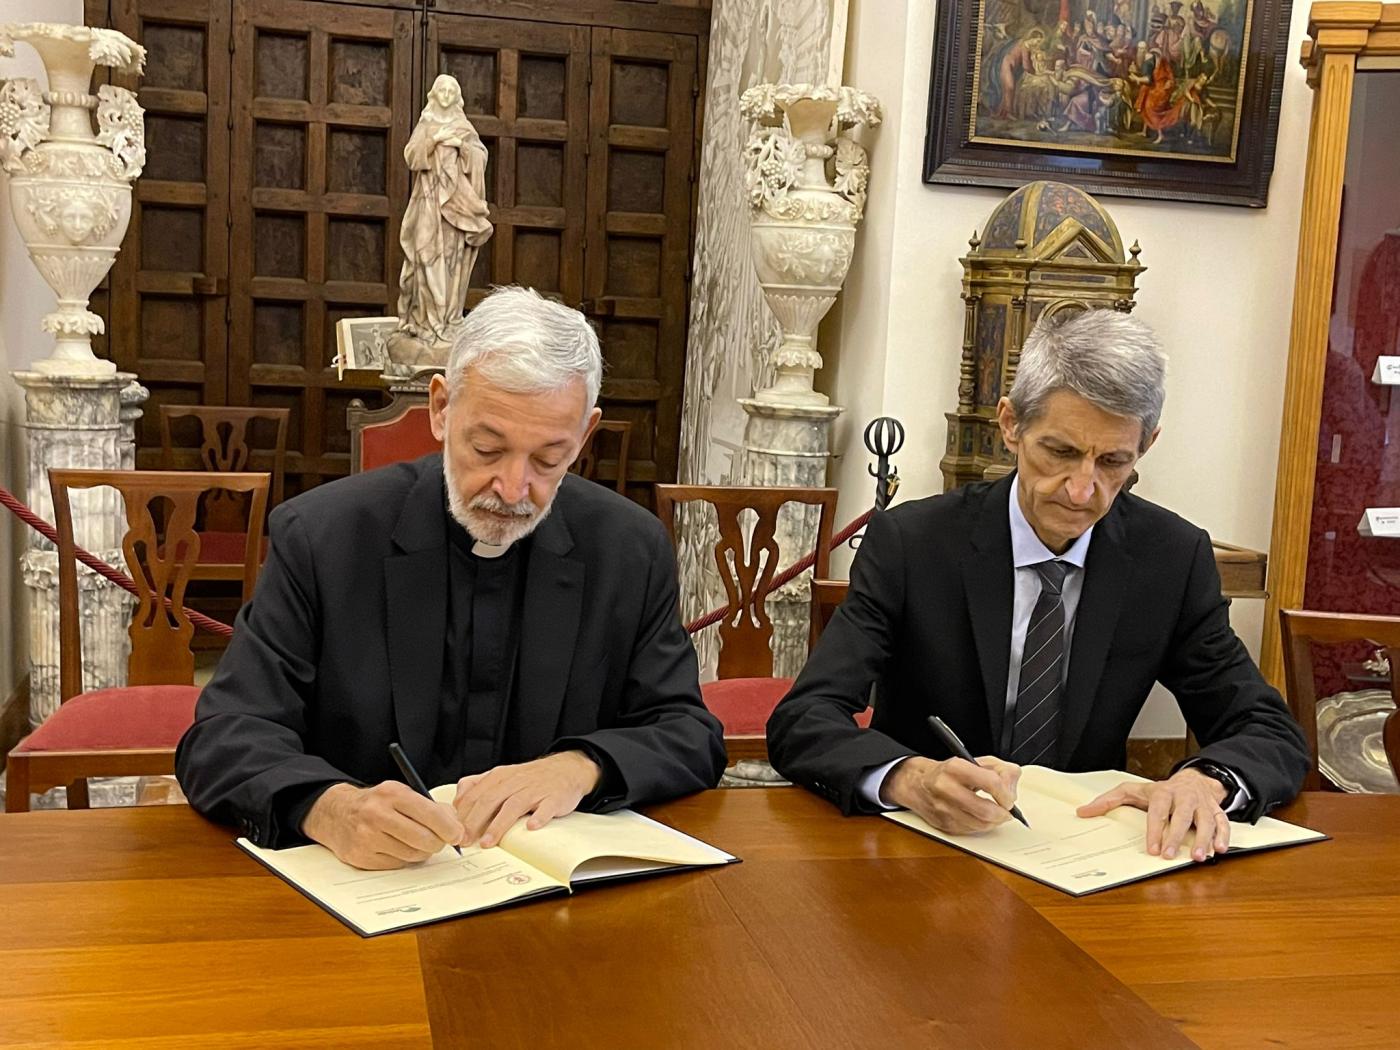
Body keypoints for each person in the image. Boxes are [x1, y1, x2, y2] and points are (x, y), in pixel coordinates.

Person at [177, 286, 725, 869]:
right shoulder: (324, 537)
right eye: (487, 448)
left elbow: (688, 732)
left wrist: (582, 765)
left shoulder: (627, 549)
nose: (513, 490)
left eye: (548, 459)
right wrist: (329, 809)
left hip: (551, 904)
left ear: (585, 435)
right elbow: (223, 735)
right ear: (441, 409)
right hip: (369, 895)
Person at [767, 308, 1307, 864]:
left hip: (1087, 859)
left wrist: (1206, 781)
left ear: (1146, 445)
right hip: (926, 853)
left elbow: (1267, 729)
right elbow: (804, 719)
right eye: (1061, 451)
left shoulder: (1170, 558)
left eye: (1113, 461)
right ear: (1011, 425)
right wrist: (907, 778)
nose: (1081, 490)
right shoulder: (913, 543)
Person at [388, 74, 493, 368]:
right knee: (422, 258)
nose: (446, 95)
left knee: (450, 265)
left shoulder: (463, 127)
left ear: (457, 96)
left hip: (455, 210)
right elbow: (411, 156)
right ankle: (424, 322)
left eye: (451, 90)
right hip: (428, 205)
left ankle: (447, 321)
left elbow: (479, 159)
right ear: (434, 94)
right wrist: (435, 140)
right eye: (441, 90)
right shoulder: (426, 125)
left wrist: (462, 145)